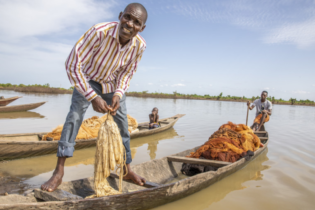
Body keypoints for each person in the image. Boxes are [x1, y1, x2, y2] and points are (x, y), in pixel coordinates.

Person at [41, 3, 148, 192]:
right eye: (128, 17)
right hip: (88, 80)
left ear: (142, 28)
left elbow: (127, 73)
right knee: (74, 117)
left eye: (136, 22)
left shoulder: (140, 45)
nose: (130, 24)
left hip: (112, 86)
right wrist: (91, 96)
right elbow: (72, 64)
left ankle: (126, 169)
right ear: (120, 15)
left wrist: (118, 93)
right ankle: (59, 172)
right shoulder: (99, 32)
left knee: (122, 125)